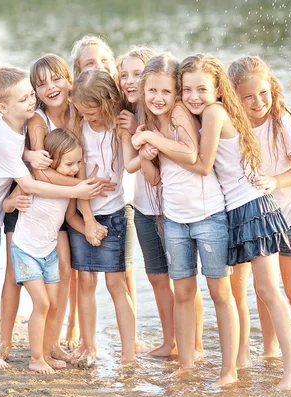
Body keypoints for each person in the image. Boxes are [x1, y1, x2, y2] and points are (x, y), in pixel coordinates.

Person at [0, 65, 104, 370]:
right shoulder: (3, 137)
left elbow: (21, 155)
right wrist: (79, 188)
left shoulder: (16, 130)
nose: (31, 102)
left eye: (31, 96)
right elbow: (29, 184)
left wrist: (29, 156)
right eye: (23, 99)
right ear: (3, 106)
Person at [175, 53, 291, 390]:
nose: (193, 97)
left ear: (219, 90)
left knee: (267, 291)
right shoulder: (210, 113)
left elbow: (203, 164)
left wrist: (153, 140)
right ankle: (242, 360)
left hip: (252, 207)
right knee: (236, 292)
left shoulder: (215, 113)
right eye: (186, 90)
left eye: (201, 89)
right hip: (232, 210)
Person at [131, 54, 236, 386]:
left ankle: (229, 370)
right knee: (183, 292)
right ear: (143, 90)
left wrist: (152, 142)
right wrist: (145, 152)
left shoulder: (179, 113)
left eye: (165, 91)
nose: (159, 98)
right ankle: (187, 365)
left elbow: (193, 155)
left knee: (220, 293)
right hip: (174, 219)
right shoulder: (149, 121)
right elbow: (154, 178)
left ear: (174, 92)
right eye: (152, 92)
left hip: (208, 217)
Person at [228, 55, 291, 369]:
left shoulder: (283, 120)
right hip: (257, 220)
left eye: (263, 93)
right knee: (264, 289)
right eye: (248, 96)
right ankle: (270, 353)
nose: (258, 102)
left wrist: (274, 181)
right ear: (234, 97)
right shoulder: (230, 125)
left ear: (272, 89)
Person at [116, 46, 205, 357]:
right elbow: (137, 168)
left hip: (174, 210)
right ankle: (170, 342)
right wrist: (136, 140)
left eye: (137, 74)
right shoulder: (133, 117)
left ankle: (195, 344)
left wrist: (147, 143)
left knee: (183, 280)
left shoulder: (172, 113)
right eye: (125, 75)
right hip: (143, 207)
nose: (131, 81)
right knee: (156, 276)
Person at [67, 69, 136, 368]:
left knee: (116, 285)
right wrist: (89, 219)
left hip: (116, 212)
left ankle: (128, 354)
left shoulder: (118, 128)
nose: (87, 116)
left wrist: (131, 132)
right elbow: (81, 176)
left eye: (91, 111)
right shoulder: (80, 129)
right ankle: (89, 345)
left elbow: (128, 164)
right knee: (85, 281)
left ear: (107, 102)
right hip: (87, 212)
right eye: (81, 111)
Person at [3, 128, 85, 374]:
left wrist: (90, 229)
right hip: (25, 250)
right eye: (69, 163)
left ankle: (47, 352)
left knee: (55, 305)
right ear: (53, 161)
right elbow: (6, 206)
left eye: (79, 163)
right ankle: (35, 358)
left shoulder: (70, 190)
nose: (75, 168)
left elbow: (69, 217)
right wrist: (14, 202)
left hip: (49, 253)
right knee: (42, 302)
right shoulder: (33, 182)